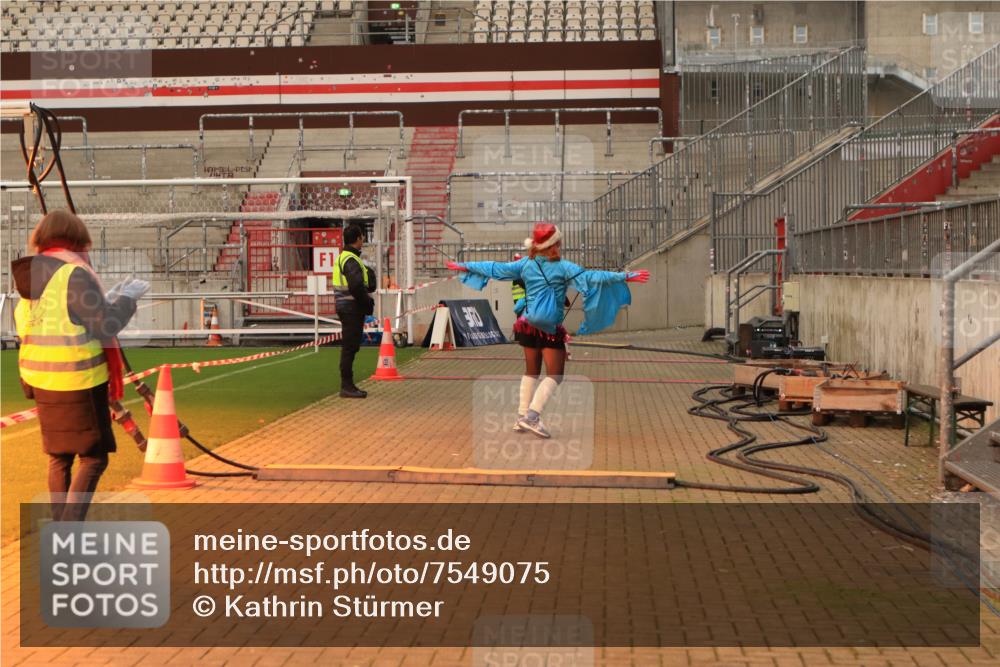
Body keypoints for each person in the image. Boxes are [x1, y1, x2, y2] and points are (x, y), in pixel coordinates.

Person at [447, 222, 649, 438]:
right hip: (549, 329)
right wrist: (625, 276)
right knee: (556, 374)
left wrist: (466, 266)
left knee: (531, 371)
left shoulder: (525, 264)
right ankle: (531, 417)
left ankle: (521, 417)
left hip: (526, 324)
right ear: (555, 244)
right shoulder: (563, 267)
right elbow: (592, 277)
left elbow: (495, 268)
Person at [12, 209, 149, 521]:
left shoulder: (32, 280)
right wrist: (127, 298)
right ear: (76, 240)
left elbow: (61, 319)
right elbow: (106, 324)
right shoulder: (73, 274)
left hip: (41, 380)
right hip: (79, 381)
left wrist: (108, 299)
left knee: (59, 458)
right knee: (94, 457)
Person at [332, 224, 375, 399]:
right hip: (351, 308)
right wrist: (367, 303)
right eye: (362, 237)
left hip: (347, 306)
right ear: (358, 238)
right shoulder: (350, 259)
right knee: (350, 347)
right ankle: (347, 386)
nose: (363, 240)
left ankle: (348, 385)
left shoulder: (346, 257)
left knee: (351, 346)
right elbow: (356, 286)